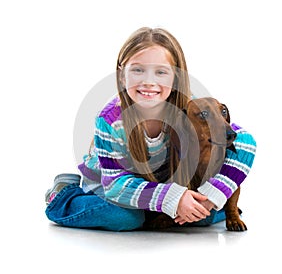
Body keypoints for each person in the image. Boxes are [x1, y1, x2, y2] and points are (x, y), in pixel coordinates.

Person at [45, 27, 256, 231]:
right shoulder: (110, 120)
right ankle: (64, 194)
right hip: (111, 186)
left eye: (161, 72)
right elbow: (115, 185)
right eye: (138, 70)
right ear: (121, 75)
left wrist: (211, 197)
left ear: (176, 78)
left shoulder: (188, 108)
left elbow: (244, 142)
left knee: (201, 215)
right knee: (126, 218)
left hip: (153, 184)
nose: (148, 82)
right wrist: (170, 198)